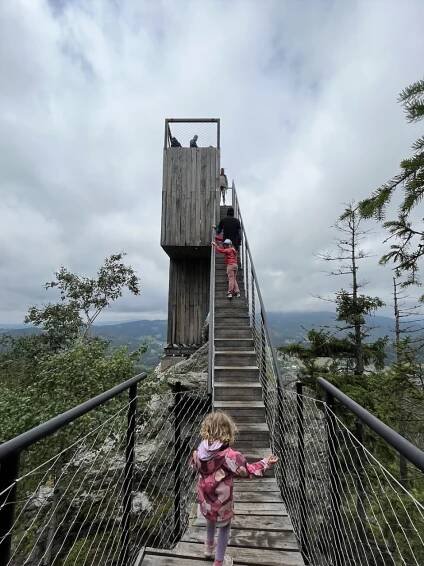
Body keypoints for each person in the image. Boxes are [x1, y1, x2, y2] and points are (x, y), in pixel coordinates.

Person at [191, 411, 278, 566]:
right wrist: (266, 463)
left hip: (205, 499)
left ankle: (208, 549)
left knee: (210, 520)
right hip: (222, 501)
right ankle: (219, 562)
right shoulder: (230, 455)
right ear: (228, 432)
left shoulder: (198, 452)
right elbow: (247, 470)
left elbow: (193, 466)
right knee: (224, 527)